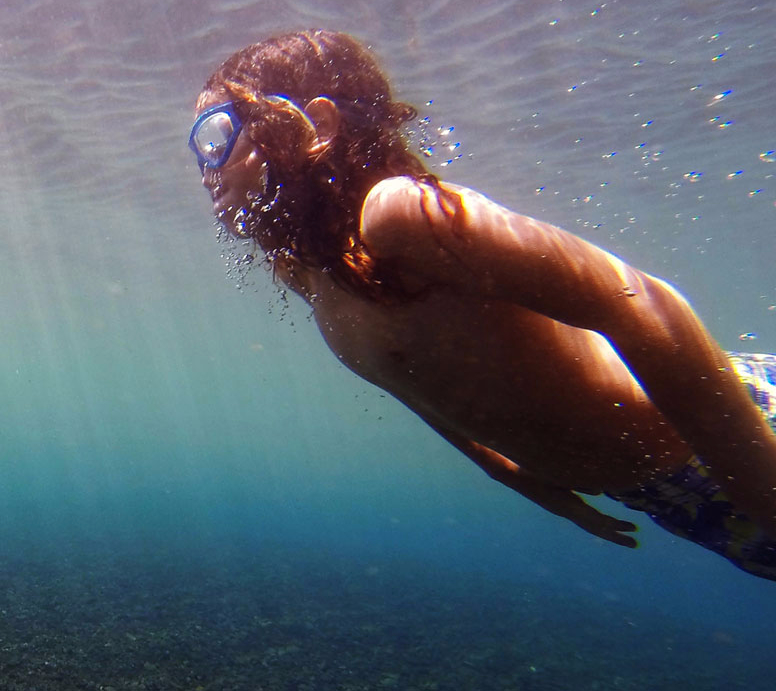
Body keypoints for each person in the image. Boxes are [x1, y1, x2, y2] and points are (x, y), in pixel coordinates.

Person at [189, 30, 776, 580]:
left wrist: (756, 483)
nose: (204, 169)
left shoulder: (396, 215)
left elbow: (646, 305)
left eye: (215, 136)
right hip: (663, 491)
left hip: (741, 436)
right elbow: (418, 383)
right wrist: (512, 474)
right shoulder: (307, 269)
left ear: (316, 122)